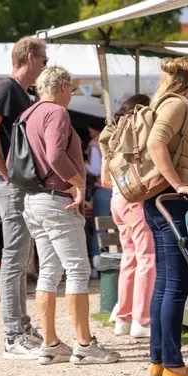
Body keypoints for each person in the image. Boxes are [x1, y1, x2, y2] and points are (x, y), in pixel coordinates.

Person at [20, 66, 120, 365]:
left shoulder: (28, 114)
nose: (71, 95)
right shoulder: (56, 113)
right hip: (56, 199)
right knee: (77, 270)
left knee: (49, 272)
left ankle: (51, 344)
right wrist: (78, 182)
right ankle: (85, 345)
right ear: (62, 86)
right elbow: (54, 155)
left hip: (33, 199)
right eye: (72, 89)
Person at [0, 36, 46, 358]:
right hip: (12, 185)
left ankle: (21, 326)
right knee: (15, 257)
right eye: (43, 59)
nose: (45, 65)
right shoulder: (6, 89)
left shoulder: (22, 92)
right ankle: (13, 335)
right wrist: (6, 173)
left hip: (19, 184)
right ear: (29, 57)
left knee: (20, 257)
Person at [144, 57, 188, 376]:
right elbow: (156, 144)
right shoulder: (178, 106)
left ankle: (159, 359)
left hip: (160, 202)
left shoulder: (162, 103)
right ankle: (171, 363)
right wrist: (179, 183)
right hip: (173, 202)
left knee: (164, 282)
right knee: (176, 284)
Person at [105, 94, 157, 339]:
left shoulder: (115, 132)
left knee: (130, 258)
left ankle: (123, 317)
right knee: (147, 258)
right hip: (134, 200)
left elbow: (106, 178)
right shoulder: (138, 131)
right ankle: (142, 320)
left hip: (117, 199)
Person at [85, 119, 113, 277]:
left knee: (99, 228)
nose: (89, 132)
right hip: (118, 189)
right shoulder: (114, 138)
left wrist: (83, 165)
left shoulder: (96, 144)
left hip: (103, 189)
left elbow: (96, 170)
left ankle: (96, 267)